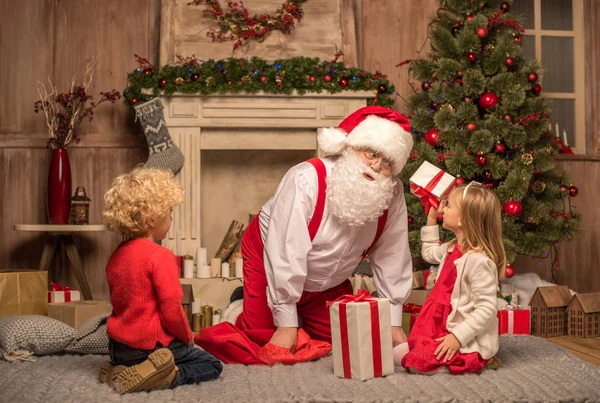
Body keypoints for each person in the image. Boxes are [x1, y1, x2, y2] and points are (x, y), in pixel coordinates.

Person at [197, 106, 415, 364]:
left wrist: (392, 320)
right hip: (273, 259)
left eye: (388, 163)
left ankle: (298, 313)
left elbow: (393, 253)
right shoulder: (306, 177)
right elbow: (286, 250)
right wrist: (286, 324)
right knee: (264, 340)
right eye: (370, 154)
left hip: (328, 280)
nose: (377, 166)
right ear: (349, 147)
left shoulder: (392, 193)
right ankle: (240, 306)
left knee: (347, 341)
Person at [99, 167, 223, 393]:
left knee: (143, 356)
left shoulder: (116, 256)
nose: (171, 218)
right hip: (149, 347)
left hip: (118, 348)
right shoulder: (160, 256)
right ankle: (164, 377)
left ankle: (119, 370)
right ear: (149, 220)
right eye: (169, 212)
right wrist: (188, 337)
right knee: (211, 363)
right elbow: (171, 310)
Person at [395, 181, 506, 374]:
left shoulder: (479, 262)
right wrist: (431, 218)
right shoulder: (450, 248)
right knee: (400, 354)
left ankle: (450, 362)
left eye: (448, 206)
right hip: (437, 322)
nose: (443, 209)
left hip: (459, 331)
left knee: (419, 362)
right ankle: (429, 356)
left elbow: (487, 308)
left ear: (462, 219)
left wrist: (458, 337)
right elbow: (428, 253)